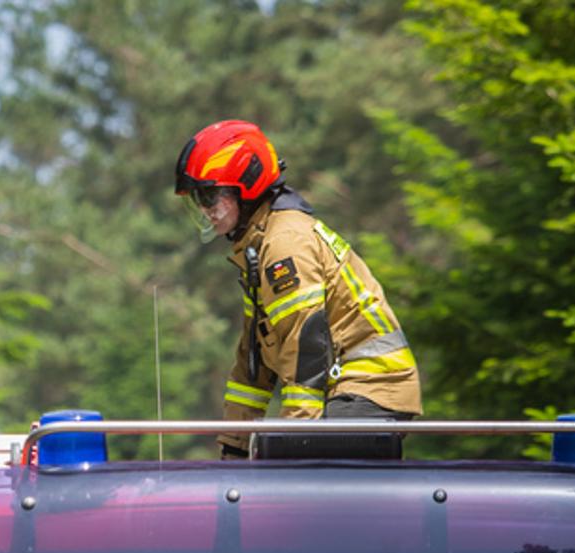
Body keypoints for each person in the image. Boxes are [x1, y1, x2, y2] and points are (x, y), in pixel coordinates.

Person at [173, 120, 421, 458]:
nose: (205, 210)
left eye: (209, 195)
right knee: (271, 456)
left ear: (246, 185)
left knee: (281, 459)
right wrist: (234, 445)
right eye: (199, 200)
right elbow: (252, 363)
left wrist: (294, 440)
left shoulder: (284, 243)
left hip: (372, 387)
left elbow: (305, 349)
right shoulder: (257, 248)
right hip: (344, 389)